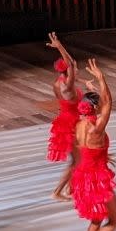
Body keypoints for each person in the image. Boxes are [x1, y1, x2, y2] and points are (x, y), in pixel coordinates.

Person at [70, 59, 116, 231]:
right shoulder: (96, 128)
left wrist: (102, 156)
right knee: (114, 220)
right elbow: (109, 102)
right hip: (97, 177)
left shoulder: (79, 125)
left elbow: (85, 152)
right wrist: (101, 78)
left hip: (83, 175)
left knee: (96, 220)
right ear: (96, 108)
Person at [46, 32, 82, 201]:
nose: (75, 68)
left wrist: (60, 48)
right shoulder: (68, 85)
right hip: (71, 123)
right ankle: (58, 191)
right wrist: (59, 46)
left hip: (65, 120)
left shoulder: (57, 83)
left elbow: (71, 63)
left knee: (78, 158)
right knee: (77, 160)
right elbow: (72, 64)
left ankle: (71, 189)